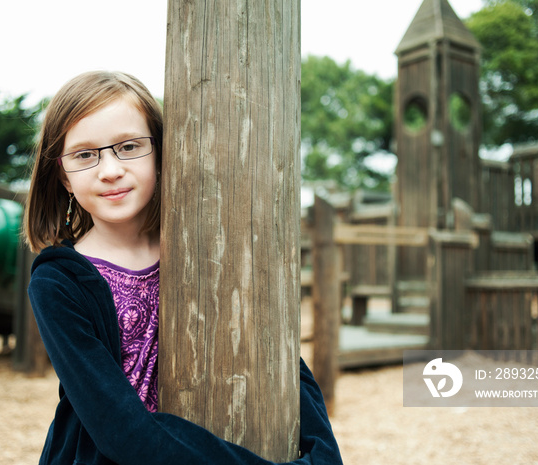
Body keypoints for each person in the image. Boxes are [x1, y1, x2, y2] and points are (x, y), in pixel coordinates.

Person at [24, 70, 343, 465]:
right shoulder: (57, 281)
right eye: (85, 154)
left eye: (128, 147)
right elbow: (120, 430)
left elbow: (276, 352)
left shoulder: (205, 248)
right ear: (64, 176)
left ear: (160, 152)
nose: (109, 169)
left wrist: (324, 451)